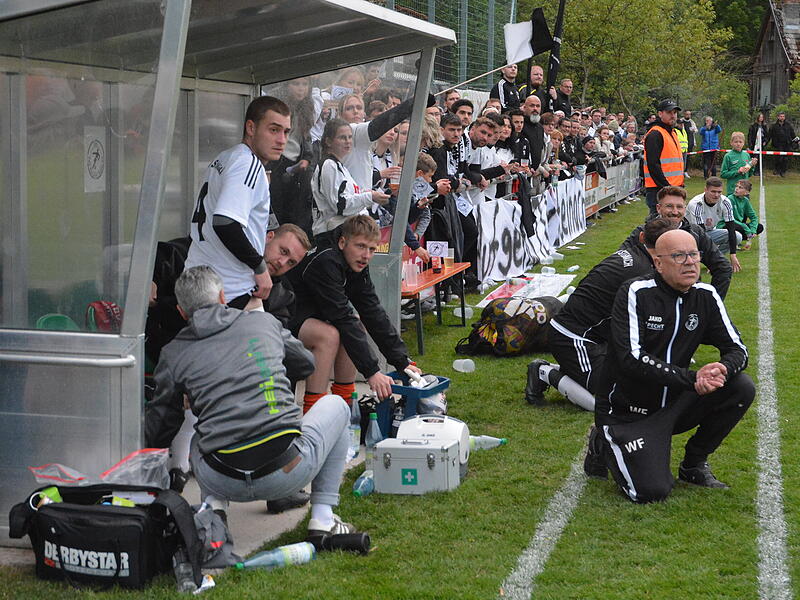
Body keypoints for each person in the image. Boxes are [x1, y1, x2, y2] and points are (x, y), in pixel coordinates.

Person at [145, 266, 364, 536]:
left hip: (221, 479)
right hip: (288, 471)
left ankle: (214, 516)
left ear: (181, 312)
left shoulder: (173, 352)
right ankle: (323, 518)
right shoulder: (263, 322)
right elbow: (306, 364)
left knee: (198, 436)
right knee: (337, 405)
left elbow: (162, 424)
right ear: (223, 297)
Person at [584, 229, 753, 503]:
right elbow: (631, 358)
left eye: (694, 254)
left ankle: (694, 464)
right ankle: (602, 442)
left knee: (741, 387)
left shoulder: (706, 295)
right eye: (679, 256)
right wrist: (692, 378)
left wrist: (722, 369)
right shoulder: (635, 292)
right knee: (651, 491)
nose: (690, 262)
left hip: (674, 404)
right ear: (658, 263)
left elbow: (739, 350)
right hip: (628, 412)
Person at [524, 218, 676, 411]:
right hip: (572, 336)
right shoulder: (641, 272)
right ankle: (543, 371)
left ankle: (575, 370)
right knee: (607, 398)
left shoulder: (635, 255)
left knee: (633, 383)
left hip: (593, 335)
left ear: (641, 237)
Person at [287, 215, 422, 411]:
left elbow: (372, 310)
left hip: (311, 314)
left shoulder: (354, 261)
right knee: (329, 335)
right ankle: (313, 412)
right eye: (360, 246)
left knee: (356, 324)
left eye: (372, 249)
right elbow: (342, 317)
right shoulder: (326, 261)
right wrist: (372, 372)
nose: (366, 255)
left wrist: (402, 361)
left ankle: (346, 407)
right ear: (342, 242)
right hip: (283, 315)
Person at [185, 96, 290, 311]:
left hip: (201, 283)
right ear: (251, 128)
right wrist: (260, 267)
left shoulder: (226, 157)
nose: (282, 140)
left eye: (286, 132)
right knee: (264, 333)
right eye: (274, 130)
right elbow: (225, 222)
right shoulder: (248, 164)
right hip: (229, 291)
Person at [620, 186, 732, 298]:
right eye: (669, 206)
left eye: (679, 207)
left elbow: (722, 267)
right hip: (651, 300)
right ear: (658, 208)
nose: (675, 212)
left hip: (686, 299)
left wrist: (711, 301)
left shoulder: (695, 232)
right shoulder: (643, 232)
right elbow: (621, 261)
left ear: (685, 209)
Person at [310, 118, 389, 246]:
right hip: (331, 236)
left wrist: (367, 193)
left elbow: (348, 195)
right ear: (328, 141)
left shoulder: (339, 166)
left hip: (342, 233)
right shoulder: (329, 165)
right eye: (342, 137)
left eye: (350, 137)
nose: (348, 141)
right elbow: (341, 205)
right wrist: (370, 196)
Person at [686, 177, 742, 272]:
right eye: (713, 191)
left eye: (719, 192)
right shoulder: (696, 204)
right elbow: (701, 234)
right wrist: (710, 261)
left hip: (709, 232)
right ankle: (709, 260)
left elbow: (731, 228)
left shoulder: (725, 202)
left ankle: (716, 259)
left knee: (738, 237)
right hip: (691, 236)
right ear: (705, 190)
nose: (716, 195)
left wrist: (733, 255)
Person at [642, 99, 684, 216]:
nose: (673, 115)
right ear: (660, 114)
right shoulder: (656, 134)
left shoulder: (672, 132)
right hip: (659, 189)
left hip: (673, 187)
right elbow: (653, 164)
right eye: (669, 112)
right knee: (658, 223)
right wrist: (666, 188)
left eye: (675, 113)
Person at [728, 179, 763, 250]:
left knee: (759, 227)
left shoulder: (745, 201)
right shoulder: (730, 199)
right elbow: (730, 219)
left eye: (740, 187)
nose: (736, 188)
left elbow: (753, 217)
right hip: (728, 224)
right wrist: (746, 229)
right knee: (735, 226)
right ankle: (732, 242)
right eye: (736, 186)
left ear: (746, 192)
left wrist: (753, 230)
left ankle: (739, 240)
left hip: (739, 225)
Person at [720, 131, 758, 196]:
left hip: (745, 191)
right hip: (733, 191)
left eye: (740, 142)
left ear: (743, 143)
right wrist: (738, 171)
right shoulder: (728, 156)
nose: (738, 144)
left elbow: (749, 174)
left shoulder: (746, 155)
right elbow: (723, 174)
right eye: (736, 142)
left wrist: (752, 165)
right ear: (731, 143)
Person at [767, 111, 797, 177]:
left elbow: (793, 134)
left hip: (787, 144)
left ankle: (783, 171)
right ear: (778, 117)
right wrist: (765, 142)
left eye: (783, 116)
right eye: (781, 116)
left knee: (785, 159)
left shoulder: (788, 125)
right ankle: (777, 170)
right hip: (778, 144)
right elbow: (769, 136)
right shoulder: (774, 126)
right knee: (779, 158)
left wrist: (796, 140)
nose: (782, 118)